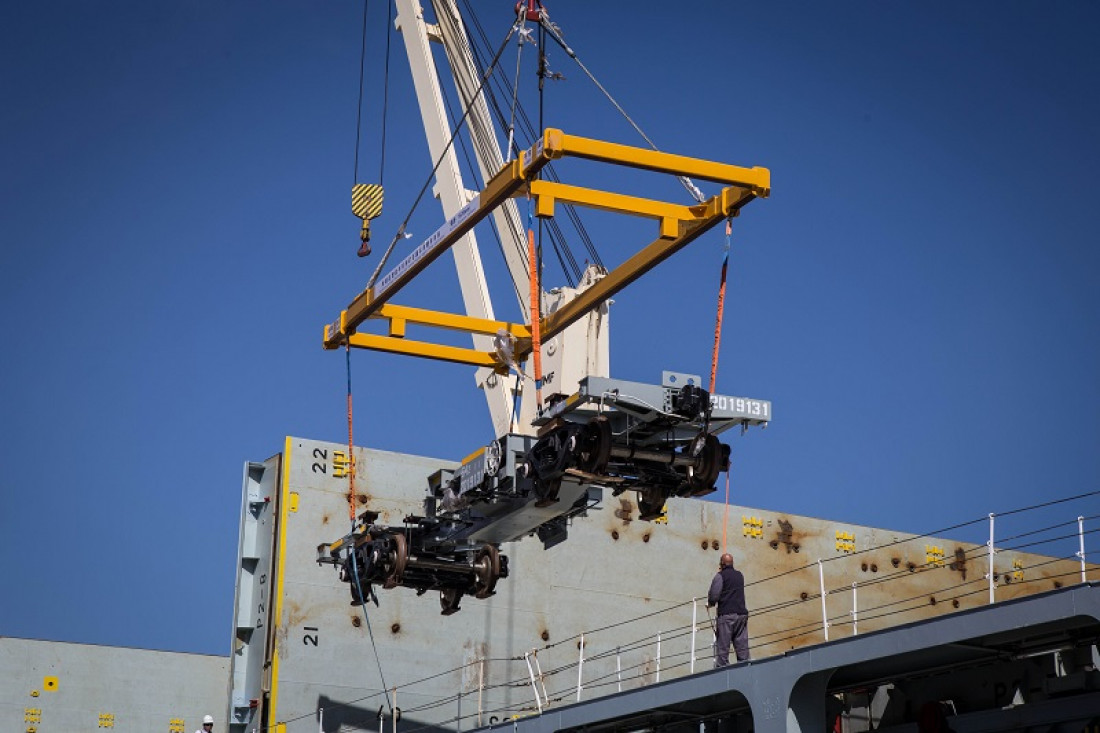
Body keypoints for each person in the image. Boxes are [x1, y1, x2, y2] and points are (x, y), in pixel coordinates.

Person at [707, 553, 749, 666]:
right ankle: (744, 670)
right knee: (742, 648)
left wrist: (710, 603)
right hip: (741, 615)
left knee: (723, 650)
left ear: (722, 563)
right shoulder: (740, 575)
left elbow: (714, 596)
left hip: (727, 616)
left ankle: (722, 674)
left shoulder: (720, 576)